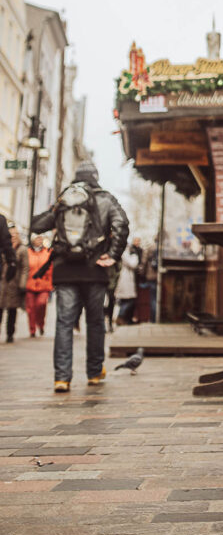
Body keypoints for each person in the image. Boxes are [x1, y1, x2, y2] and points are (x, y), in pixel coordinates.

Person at [32, 159, 129, 392]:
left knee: (64, 323)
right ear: (95, 176)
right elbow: (122, 225)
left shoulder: (65, 198)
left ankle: (62, 378)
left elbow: (38, 225)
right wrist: (112, 255)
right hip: (95, 269)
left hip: (65, 270)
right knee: (95, 322)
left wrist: (57, 208)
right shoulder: (106, 199)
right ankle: (94, 372)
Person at [0, 227, 29, 342]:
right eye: (11, 234)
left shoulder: (22, 249)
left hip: (14, 283)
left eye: (15, 234)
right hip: (2, 282)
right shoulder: (3, 247)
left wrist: (22, 284)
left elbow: (25, 268)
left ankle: (10, 333)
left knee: (12, 310)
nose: (13, 236)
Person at [26, 234, 53, 337]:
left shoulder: (47, 252)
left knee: (41, 304)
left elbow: (51, 268)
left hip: (44, 284)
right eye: (37, 238)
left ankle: (40, 324)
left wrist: (52, 282)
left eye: (41, 238)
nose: (39, 240)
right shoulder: (28, 252)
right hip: (30, 284)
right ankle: (32, 330)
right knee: (31, 308)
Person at [115, 242, 139, 324]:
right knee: (128, 300)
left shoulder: (127, 254)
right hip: (124, 279)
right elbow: (133, 264)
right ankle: (120, 317)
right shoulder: (125, 254)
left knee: (128, 299)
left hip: (128, 279)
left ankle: (122, 317)